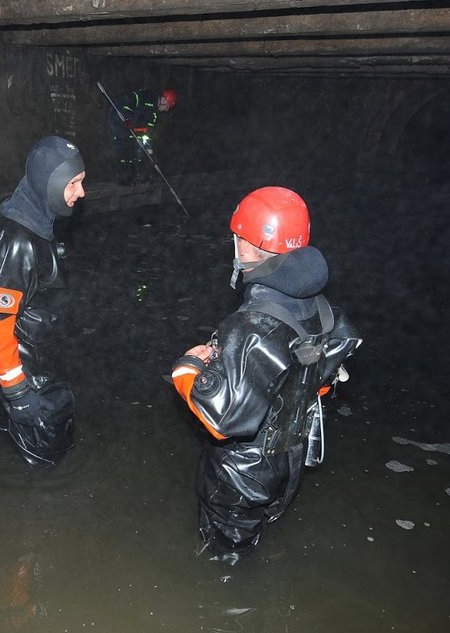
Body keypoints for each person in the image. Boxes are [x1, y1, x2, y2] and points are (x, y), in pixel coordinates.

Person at [171, 186, 362, 564]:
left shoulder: (251, 325)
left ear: (245, 245)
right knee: (259, 532)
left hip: (241, 476)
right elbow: (318, 382)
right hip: (289, 461)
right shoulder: (320, 307)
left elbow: (222, 421)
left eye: (237, 238)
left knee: (225, 561)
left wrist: (189, 367)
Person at [0, 136, 86, 468]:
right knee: (47, 451)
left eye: (82, 181)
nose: (81, 192)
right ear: (49, 184)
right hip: (24, 361)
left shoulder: (28, 213)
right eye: (73, 183)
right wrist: (18, 389)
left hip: (23, 349)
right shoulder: (20, 243)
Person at [107, 88, 177, 185]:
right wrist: (127, 118)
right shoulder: (147, 96)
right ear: (164, 101)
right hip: (119, 119)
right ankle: (123, 178)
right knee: (125, 146)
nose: (166, 110)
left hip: (131, 129)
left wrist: (148, 147)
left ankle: (135, 176)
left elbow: (147, 132)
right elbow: (126, 102)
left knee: (137, 152)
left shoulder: (153, 115)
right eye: (167, 107)